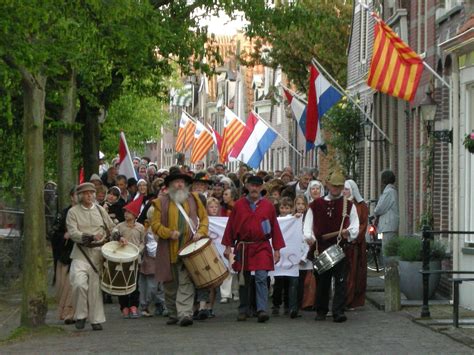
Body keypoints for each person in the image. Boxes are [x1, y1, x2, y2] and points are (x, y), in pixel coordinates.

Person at [222, 175, 285, 323]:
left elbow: (275, 228)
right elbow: (230, 226)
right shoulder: (239, 205)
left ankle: (261, 309)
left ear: (261, 187)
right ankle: (244, 309)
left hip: (262, 245)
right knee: (244, 280)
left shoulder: (268, 206)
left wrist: (276, 249)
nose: (255, 188)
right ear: (247, 186)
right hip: (244, 246)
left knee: (262, 277)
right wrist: (227, 247)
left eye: (257, 186)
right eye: (252, 185)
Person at [150, 170, 209, 327]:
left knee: (186, 282)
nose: (179, 184)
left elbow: (204, 219)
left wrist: (201, 232)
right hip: (168, 249)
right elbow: (155, 225)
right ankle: (173, 313)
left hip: (189, 248)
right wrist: (168, 233)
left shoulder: (195, 199)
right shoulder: (160, 202)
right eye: (176, 182)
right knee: (170, 285)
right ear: (169, 185)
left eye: (182, 182)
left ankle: (185, 314)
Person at [303, 170, 359, 323]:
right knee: (322, 282)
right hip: (320, 247)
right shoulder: (316, 205)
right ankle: (321, 310)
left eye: (339, 186)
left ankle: (338, 311)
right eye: (333, 186)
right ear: (327, 185)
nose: (335, 189)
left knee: (341, 281)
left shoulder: (349, 205)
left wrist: (350, 233)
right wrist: (309, 237)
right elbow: (308, 224)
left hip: (340, 247)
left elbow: (355, 226)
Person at [66, 182, 115, 331]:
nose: (89, 195)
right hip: (80, 253)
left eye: (91, 193)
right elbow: (73, 232)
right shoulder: (73, 212)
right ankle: (80, 315)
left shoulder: (100, 210)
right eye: (86, 193)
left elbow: (111, 227)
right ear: (80, 196)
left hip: (98, 254)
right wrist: (90, 237)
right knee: (78, 284)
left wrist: (118, 236)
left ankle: (96, 319)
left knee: (95, 289)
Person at [112, 198, 146, 319]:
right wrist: (118, 238)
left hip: (135, 259)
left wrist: (138, 251)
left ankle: (134, 306)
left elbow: (143, 242)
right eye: (125, 212)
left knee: (134, 283)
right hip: (122, 259)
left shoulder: (140, 227)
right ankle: (124, 306)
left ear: (135, 215)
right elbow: (113, 235)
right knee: (122, 283)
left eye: (129, 212)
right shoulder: (120, 226)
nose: (126, 214)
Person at [50, 188, 76, 324]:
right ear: (72, 197)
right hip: (66, 253)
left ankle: (71, 313)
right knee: (64, 285)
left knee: (75, 284)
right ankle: (65, 312)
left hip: (81, 254)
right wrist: (63, 236)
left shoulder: (87, 212)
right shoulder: (63, 214)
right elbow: (53, 232)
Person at [343, 179, 368, 309]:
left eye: (346, 189)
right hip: (343, 243)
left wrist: (355, 237)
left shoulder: (361, 206)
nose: (344, 192)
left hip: (355, 245)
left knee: (354, 273)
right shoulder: (341, 204)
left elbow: (363, 224)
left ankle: (352, 300)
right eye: (343, 189)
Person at [272, 197, 299, 318]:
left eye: (287, 208)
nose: (284, 210)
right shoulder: (276, 220)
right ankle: (276, 305)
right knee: (278, 282)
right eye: (282, 207)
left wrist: (297, 217)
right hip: (279, 255)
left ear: (291, 209)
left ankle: (288, 305)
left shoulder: (293, 220)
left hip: (289, 255)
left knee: (289, 282)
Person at [374, 170, 399, 255]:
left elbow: (379, 209)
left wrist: (375, 210)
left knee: (387, 250)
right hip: (386, 226)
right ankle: (388, 267)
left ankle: (388, 267)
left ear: (384, 179)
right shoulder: (390, 191)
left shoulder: (389, 192)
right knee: (386, 249)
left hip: (387, 226)